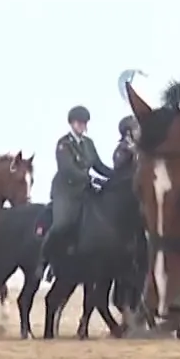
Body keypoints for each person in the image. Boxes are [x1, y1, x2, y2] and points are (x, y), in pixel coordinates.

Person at [44, 105, 113, 261]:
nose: (82, 125)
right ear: (71, 123)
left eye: (84, 122)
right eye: (78, 122)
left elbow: (99, 166)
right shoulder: (64, 144)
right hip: (66, 192)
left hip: (85, 190)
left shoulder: (89, 143)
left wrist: (117, 175)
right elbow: (68, 169)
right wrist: (91, 179)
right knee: (62, 223)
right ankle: (45, 258)